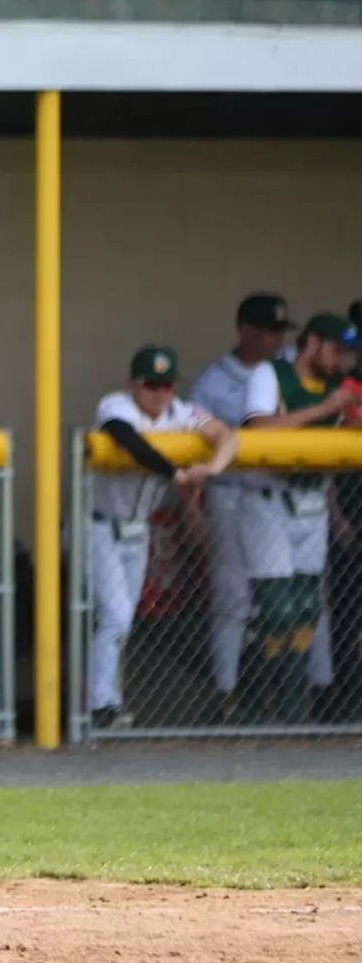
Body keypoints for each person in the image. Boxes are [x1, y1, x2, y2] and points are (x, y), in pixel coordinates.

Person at [88, 345, 237, 729]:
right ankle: (100, 704)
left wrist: (211, 468)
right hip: (99, 525)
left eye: (166, 384)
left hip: (139, 530)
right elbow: (127, 439)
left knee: (121, 619)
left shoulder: (181, 411)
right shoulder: (115, 405)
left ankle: (109, 702)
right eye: (151, 384)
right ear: (133, 383)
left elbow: (225, 435)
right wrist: (175, 473)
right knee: (116, 616)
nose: (159, 392)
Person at [235, 314, 353, 724]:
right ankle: (249, 706)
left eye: (347, 353)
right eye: (335, 349)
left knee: (306, 609)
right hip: (268, 497)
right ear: (313, 343)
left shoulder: (340, 386)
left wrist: (348, 411)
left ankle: (291, 711)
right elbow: (259, 428)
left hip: (313, 500)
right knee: (277, 609)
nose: (340, 360)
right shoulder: (271, 374)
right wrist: (326, 408)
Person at [189, 293, 296, 714]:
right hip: (232, 495)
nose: (276, 340)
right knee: (233, 596)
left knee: (296, 597)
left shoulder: (287, 369)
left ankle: (295, 692)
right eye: (269, 330)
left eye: (281, 332)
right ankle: (227, 693)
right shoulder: (211, 382)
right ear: (246, 330)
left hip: (283, 498)